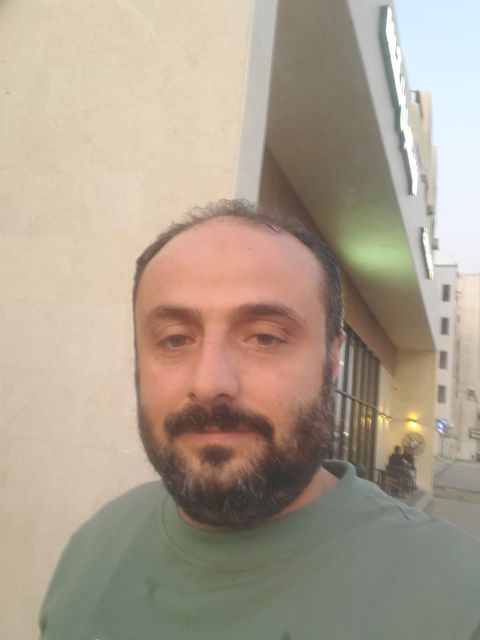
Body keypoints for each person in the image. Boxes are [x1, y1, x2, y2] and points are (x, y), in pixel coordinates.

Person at [39, 200, 480, 639]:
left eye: (265, 337)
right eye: (175, 340)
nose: (209, 382)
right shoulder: (93, 547)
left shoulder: (457, 598)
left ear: (331, 361)